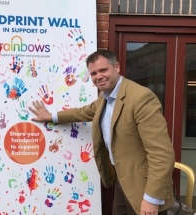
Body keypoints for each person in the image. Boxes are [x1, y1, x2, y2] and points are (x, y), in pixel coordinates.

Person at [29, 50, 175, 215]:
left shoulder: (141, 98)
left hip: (143, 187)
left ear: (117, 67)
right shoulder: (105, 98)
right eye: (93, 73)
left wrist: (152, 198)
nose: (99, 76)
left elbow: (162, 154)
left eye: (103, 70)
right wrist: (50, 116)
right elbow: (82, 112)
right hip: (121, 181)